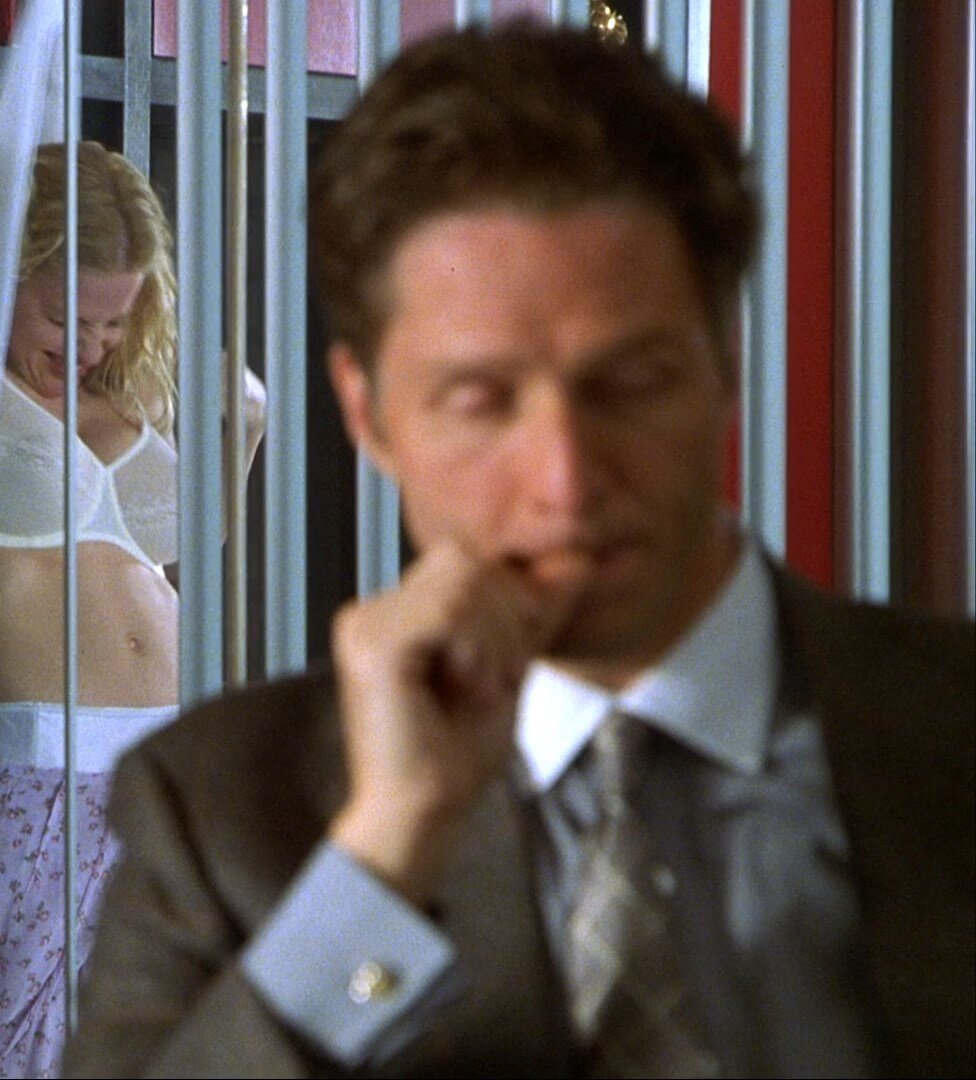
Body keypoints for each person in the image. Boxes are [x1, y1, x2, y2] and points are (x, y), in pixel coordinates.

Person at [65, 21, 974, 1079]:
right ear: (368, 413)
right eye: (480, 399)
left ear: (724, 367)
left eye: (630, 382)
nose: (566, 479)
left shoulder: (950, 725)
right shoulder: (216, 811)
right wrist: (381, 862)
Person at [0, 2, 264, 1076]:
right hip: (32, 794)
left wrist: (236, 428)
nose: (88, 347)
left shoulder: (133, 402)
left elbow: (189, 550)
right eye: (64, 319)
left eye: (113, 320)